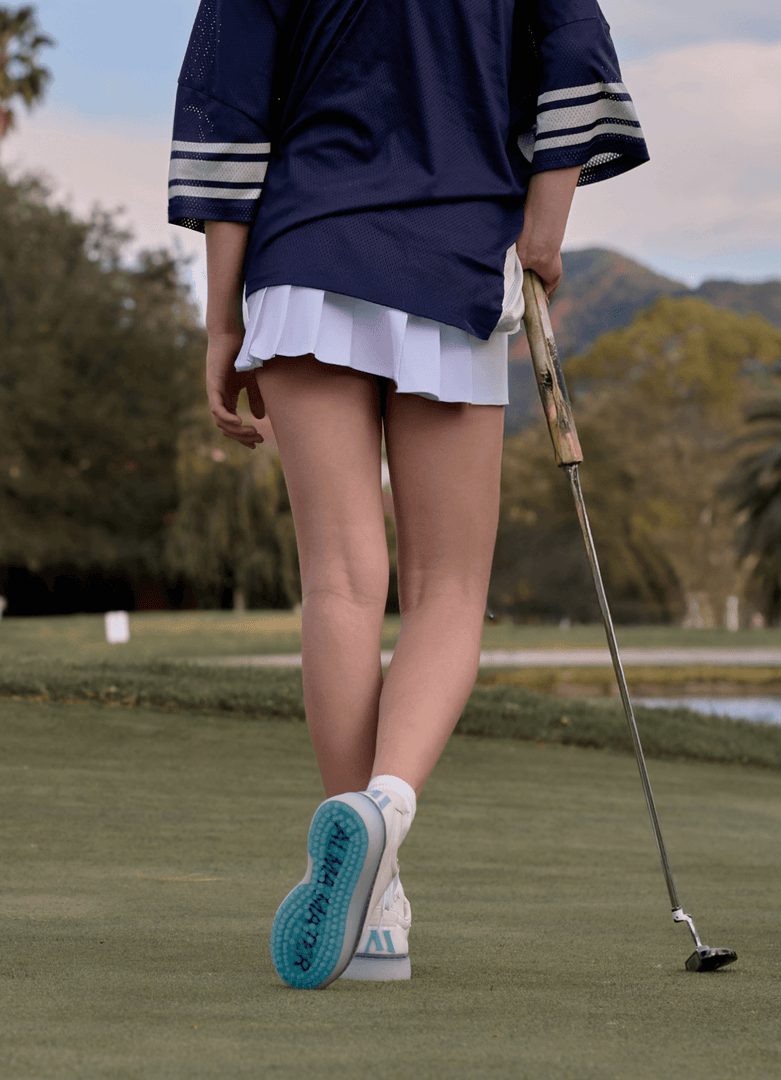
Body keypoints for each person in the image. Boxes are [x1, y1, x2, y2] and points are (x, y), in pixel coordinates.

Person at [168, 0, 648, 988]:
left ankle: (375, 909)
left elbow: (225, 112)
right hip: (456, 265)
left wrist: (221, 324)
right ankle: (384, 810)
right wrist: (545, 236)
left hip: (301, 258)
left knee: (343, 578)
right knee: (446, 587)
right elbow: (574, 57)